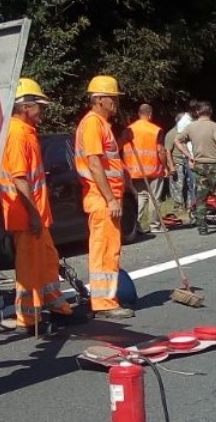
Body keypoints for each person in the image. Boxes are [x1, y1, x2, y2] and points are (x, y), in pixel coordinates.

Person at [0, 78, 75, 330]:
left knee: (47, 261)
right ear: (24, 107)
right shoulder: (17, 134)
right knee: (30, 269)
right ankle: (29, 319)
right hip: (27, 216)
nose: (42, 111)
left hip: (36, 216)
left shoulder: (24, 133)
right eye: (39, 105)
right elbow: (20, 180)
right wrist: (32, 215)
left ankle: (56, 305)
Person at [74, 75, 134, 319]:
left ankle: (106, 299)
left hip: (106, 196)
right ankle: (103, 302)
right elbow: (95, 164)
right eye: (112, 98)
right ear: (99, 99)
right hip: (101, 198)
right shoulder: (92, 124)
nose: (115, 103)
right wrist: (110, 199)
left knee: (110, 249)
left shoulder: (102, 124)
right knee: (104, 250)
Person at [175, 101, 216, 235]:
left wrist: (189, 156)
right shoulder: (214, 126)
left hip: (199, 165)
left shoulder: (191, 127)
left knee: (201, 197)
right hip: (215, 164)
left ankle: (202, 227)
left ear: (197, 112)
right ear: (210, 112)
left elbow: (177, 140)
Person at [122, 104, 167, 233]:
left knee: (141, 196)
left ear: (138, 113)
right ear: (150, 114)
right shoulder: (155, 130)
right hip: (153, 169)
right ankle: (154, 225)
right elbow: (160, 151)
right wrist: (165, 167)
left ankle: (138, 224)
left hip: (134, 170)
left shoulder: (129, 129)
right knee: (154, 198)